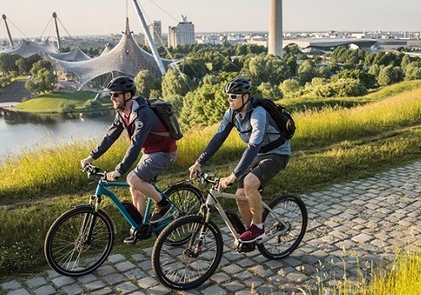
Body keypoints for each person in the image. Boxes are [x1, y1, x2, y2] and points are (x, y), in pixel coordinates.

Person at [188, 77, 291, 243]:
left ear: (246, 97)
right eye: (228, 96)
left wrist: (233, 175)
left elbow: (253, 147)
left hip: (277, 153)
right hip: (258, 154)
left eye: (234, 96)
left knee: (249, 183)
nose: (230, 100)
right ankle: (254, 235)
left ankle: (258, 228)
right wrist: (199, 162)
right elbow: (218, 138)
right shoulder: (232, 114)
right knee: (239, 196)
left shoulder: (258, 113)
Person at [80, 76, 177, 243]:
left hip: (164, 152)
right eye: (111, 95)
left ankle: (163, 205)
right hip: (150, 152)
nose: (112, 98)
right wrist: (91, 156)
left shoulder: (143, 114)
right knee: (135, 188)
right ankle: (141, 227)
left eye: (116, 95)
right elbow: (110, 136)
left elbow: (135, 145)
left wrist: (119, 170)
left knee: (132, 179)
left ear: (127, 95)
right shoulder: (122, 114)